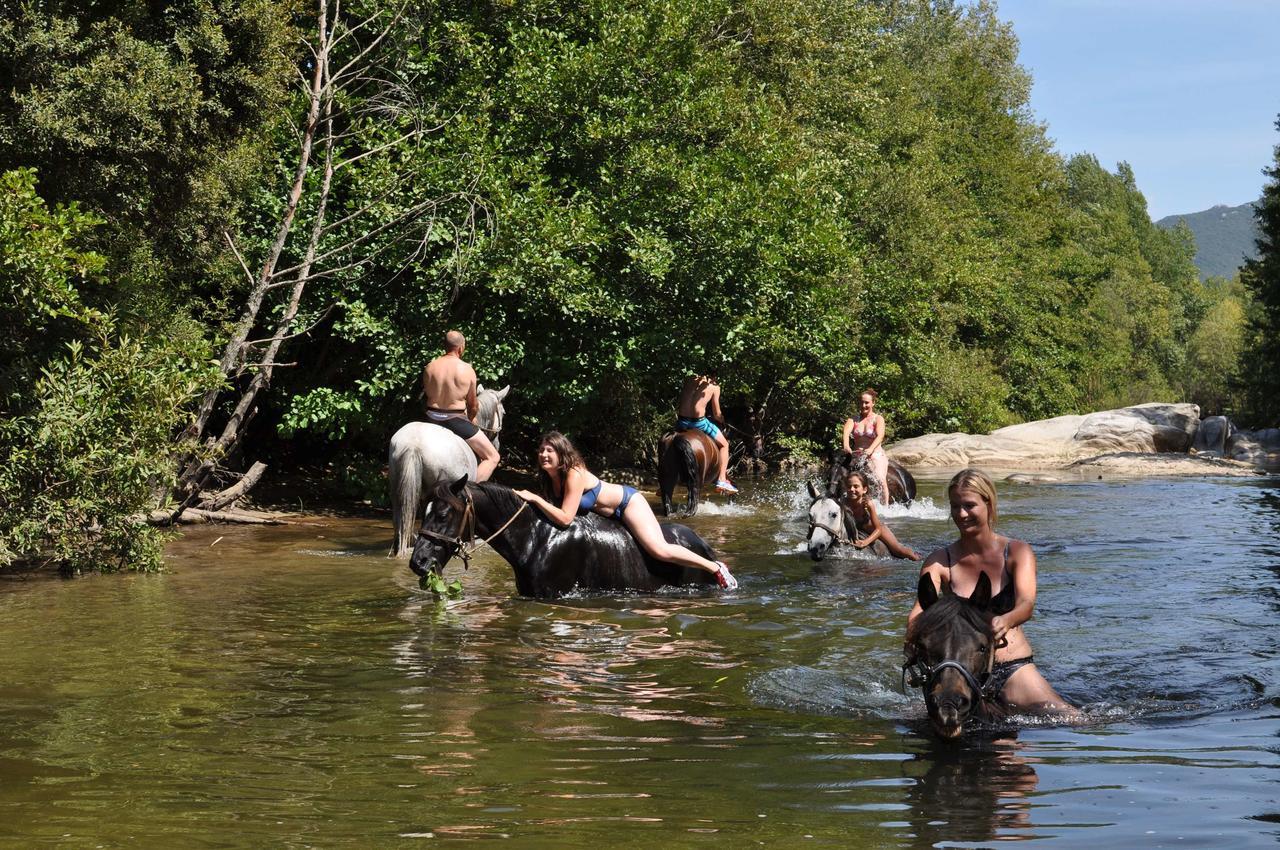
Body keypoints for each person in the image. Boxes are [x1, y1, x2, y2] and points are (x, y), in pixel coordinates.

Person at [906, 469, 1079, 719]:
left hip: (1011, 669)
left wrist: (1005, 620)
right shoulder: (939, 561)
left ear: (989, 504)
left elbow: (1026, 604)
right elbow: (918, 613)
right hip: (959, 670)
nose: (961, 514)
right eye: (955, 506)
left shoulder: (1017, 552)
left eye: (969, 505)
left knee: (1071, 719)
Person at [513, 432, 739, 589]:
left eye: (549, 450)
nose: (543, 455)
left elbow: (564, 518)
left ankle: (715, 568)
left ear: (561, 453)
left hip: (627, 503)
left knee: (659, 550)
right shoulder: (549, 478)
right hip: (608, 515)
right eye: (541, 450)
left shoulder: (574, 473)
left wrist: (535, 499)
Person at [422, 330, 499, 481]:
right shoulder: (467, 370)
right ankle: (470, 492)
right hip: (454, 420)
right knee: (493, 457)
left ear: (444, 346)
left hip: (430, 418)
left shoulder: (429, 367)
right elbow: (473, 405)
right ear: (461, 347)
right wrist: (472, 418)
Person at [676, 372, 737, 494]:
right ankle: (722, 480)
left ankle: (666, 481)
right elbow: (717, 414)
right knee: (725, 445)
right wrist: (722, 419)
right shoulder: (714, 387)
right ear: (714, 376)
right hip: (698, 423)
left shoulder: (690, 379)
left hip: (682, 421)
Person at [841, 470, 919, 560]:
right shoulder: (843, 502)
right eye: (849, 486)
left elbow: (878, 529)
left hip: (876, 529)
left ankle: (917, 558)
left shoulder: (868, 504)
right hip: (856, 529)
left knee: (898, 550)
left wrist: (865, 542)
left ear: (864, 489)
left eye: (856, 486)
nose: (852, 489)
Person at [841, 388, 889, 505]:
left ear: (873, 403)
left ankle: (885, 508)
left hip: (875, 454)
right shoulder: (853, 419)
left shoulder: (878, 419)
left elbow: (880, 436)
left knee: (880, 479)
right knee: (839, 474)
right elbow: (846, 433)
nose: (864, 405)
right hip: (857, 454)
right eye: (861, 402)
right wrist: (847, 446)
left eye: (866, 402)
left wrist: (870, 449)